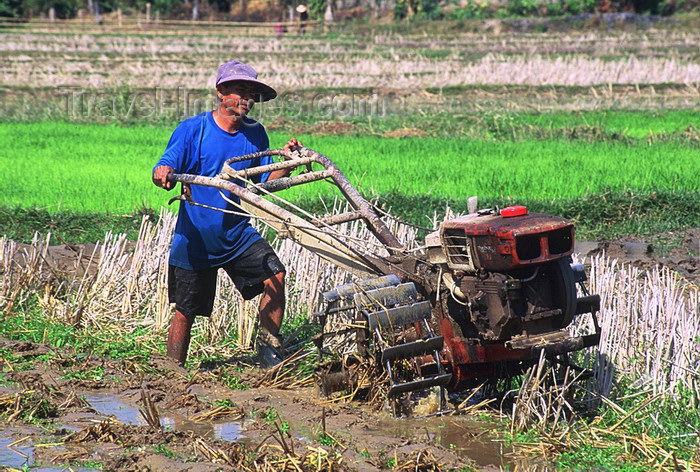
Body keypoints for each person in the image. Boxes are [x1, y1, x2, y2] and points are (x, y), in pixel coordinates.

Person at [152, 60, 302, 369]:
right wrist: (162, 172)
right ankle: (172, 372)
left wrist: (286, 163)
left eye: (251, 93)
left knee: (276, 274)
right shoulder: (194, 129)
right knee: (186, 309)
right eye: (240, 91)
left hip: (236, 232)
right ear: (221, 92)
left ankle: (268, 353)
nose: (247, 99)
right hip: (195, 236)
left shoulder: (255, 134)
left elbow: (259, 188)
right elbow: (165, 165)